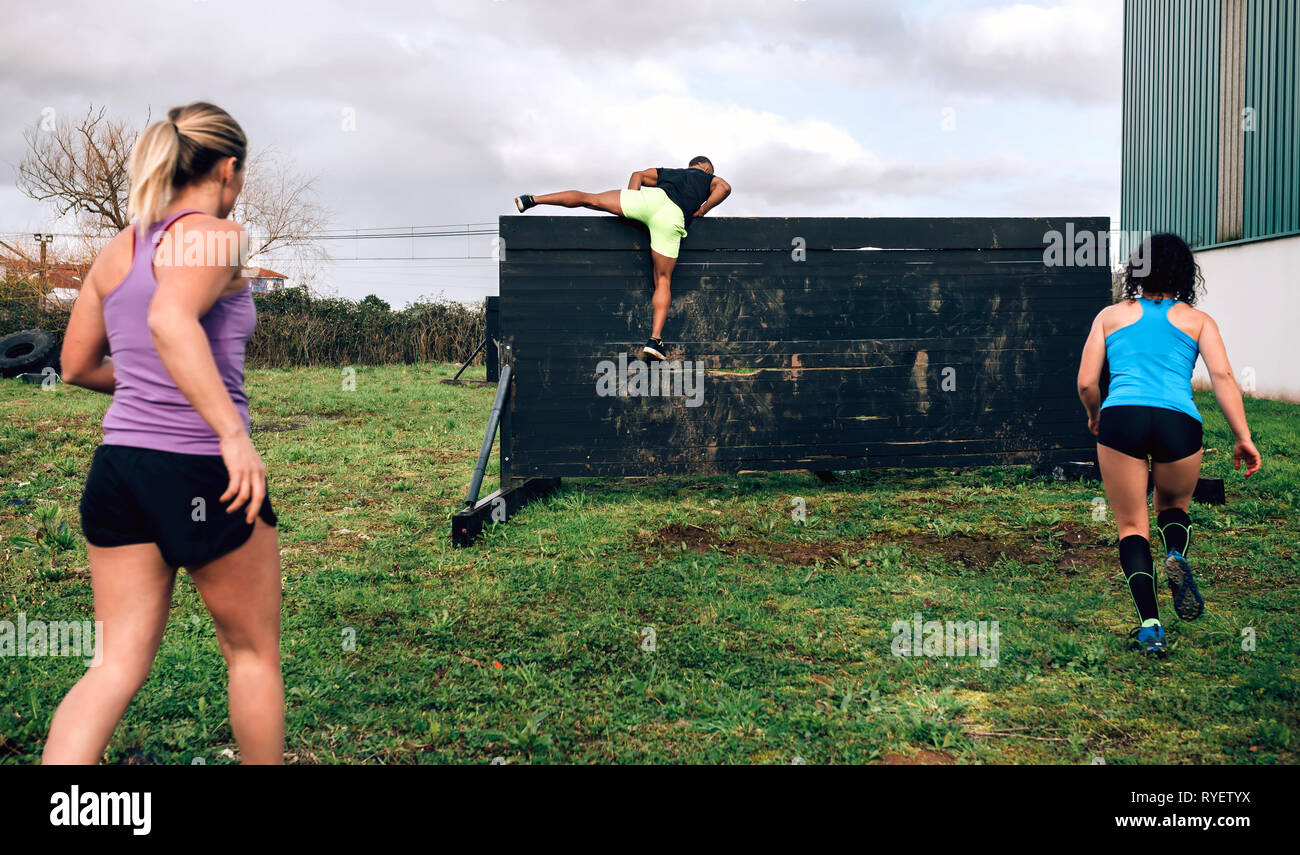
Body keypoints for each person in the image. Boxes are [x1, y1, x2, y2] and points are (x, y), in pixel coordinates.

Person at [43, 102, 284, 763]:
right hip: (201, 469)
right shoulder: (216, 234)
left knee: (112, 665)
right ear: (229, 169)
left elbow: (76, 365)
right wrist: (232, 433)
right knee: (252, 654)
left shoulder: (120, 246)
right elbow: (170, 320)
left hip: (120, 469)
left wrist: (152, 387)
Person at [1076, 232, 1261, 657]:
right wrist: (1243, 437)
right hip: (1179, 422)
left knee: (1130, 525)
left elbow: (1087, 381)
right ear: (1184, 273)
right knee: (1173, 508)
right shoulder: (1199, 322)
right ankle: (1175, 552)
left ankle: (1151, 627)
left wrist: (1095, 415)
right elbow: (1224, 378)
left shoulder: (1109, 315)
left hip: (1123, 417)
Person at [515, 156, 731, 359]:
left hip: (649, 200)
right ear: (705, 168)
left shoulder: (671, 172)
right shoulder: (709, 178)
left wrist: (632, 206)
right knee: (663, 280)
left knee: (590, 199)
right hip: (672, 217)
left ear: (690, 166)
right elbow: (725, 188)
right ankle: (655, 340)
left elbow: (638, 174)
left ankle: (532, 199)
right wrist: (703, 209)